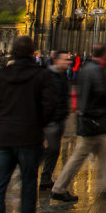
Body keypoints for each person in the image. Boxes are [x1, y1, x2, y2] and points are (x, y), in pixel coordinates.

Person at [0, 36, 58, 213]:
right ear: (33, 52)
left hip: (2, 138)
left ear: (11, 52)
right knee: (28, 183)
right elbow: (49, 107)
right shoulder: (41, 76)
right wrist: (37, 125)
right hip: (28, 138)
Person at [50, 44, 106, 201]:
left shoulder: (86, 67)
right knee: (80, 155)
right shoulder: (95, 70)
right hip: (92, 118)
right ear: (104, 56)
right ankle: (59, 188)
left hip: (90, 117)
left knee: (104, 151)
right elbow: (100, 92)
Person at [40, 51, 71, 190]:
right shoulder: (46, 75)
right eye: (66, 59)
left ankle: (46, 179)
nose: (68, 62)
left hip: (59, 118)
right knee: (52, 148)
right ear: (56, 60)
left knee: (55, 150)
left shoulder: (63, 76)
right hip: (50, 119)